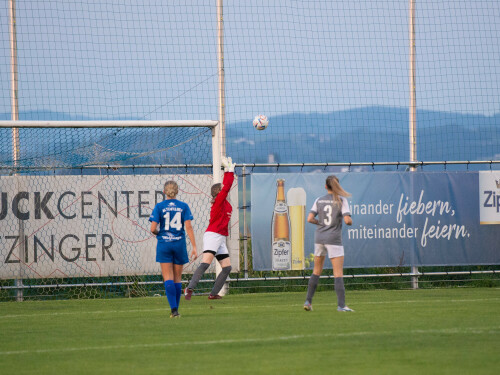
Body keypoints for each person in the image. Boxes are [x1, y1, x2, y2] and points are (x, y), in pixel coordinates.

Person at [184, 156, 235, 300]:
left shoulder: (225, 203)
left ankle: (213, 294)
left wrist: (229, 171)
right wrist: (229, 171)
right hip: (213, 235)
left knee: (227, 268)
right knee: (205, 263)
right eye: (222, 189)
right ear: (218, 193)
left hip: (220, 237)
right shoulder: (219, 201)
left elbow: (226, 188)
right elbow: (226, 187)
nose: (225, 189)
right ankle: (189, 288)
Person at [303, 175, 354, 312]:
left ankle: (308, 302)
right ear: (337, 186)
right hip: (334, 240)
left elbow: (309, 218)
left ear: (326, 186)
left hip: (319, 238)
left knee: (316, 271)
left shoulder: (318, 200)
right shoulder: (341, 200)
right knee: (338, 273)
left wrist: (319, 223)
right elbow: (348, 220)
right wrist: (349, 221)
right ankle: (341, 306)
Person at [149, 180, 197, 318]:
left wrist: (161, 234)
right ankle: (176, 311)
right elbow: (188, 227)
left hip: (164, 244)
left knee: (168, 277)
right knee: (177, 278)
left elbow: (153, 229)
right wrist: (194, 247)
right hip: (179, 244)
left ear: (164, 192)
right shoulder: (183, 206)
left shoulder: (159, 206)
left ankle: (174, 310)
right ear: (177, 191)